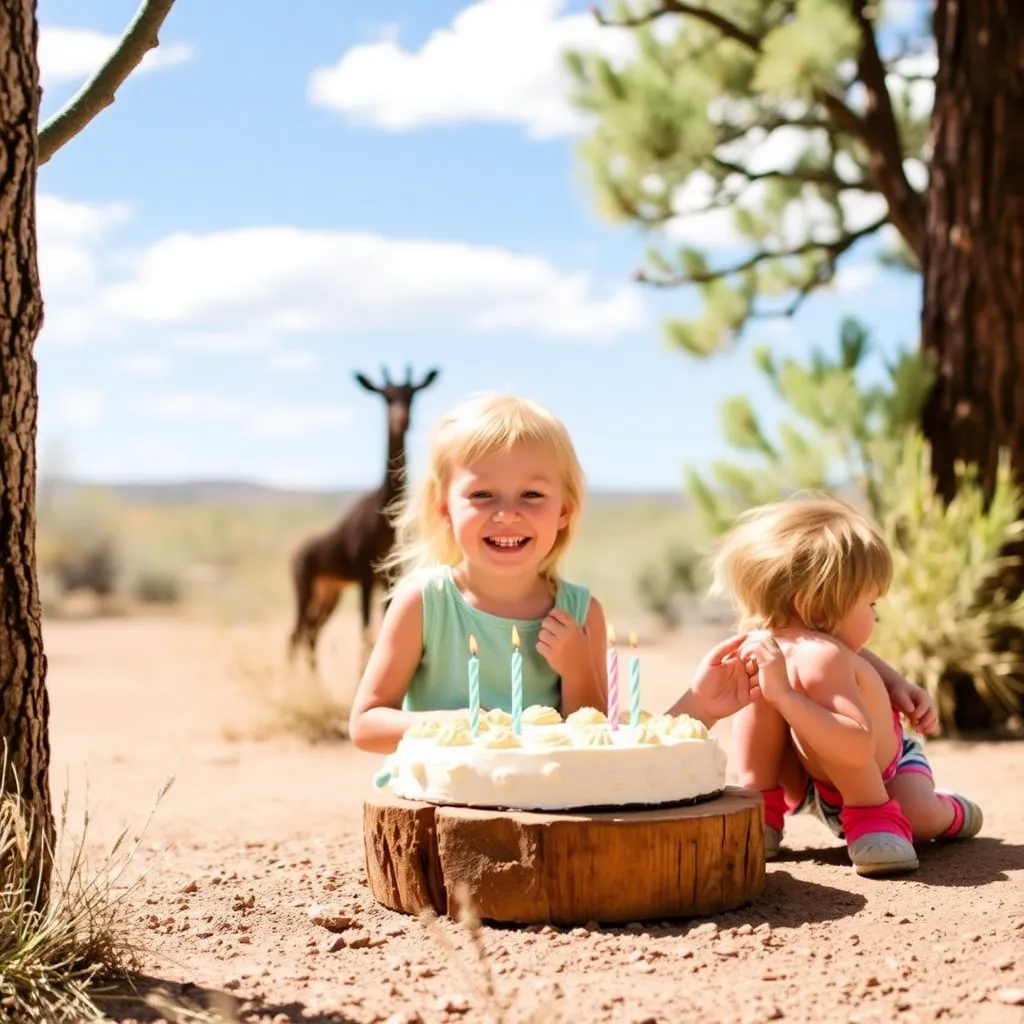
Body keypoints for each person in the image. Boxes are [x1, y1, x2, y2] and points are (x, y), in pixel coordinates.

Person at [349, 392, 761, 754]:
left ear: (564, 509)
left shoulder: (581, 613)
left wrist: (578, 669)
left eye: (532, 495)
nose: (507, 513)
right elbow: (366, 725)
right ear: (444, 510)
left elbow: (592, 739)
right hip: (441, 801)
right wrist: (458, 725)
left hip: (545, 803)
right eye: (482, 495)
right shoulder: (425, 603)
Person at [714, 496, 982, 877]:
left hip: (886, 775)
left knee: (920, 816)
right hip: (813, 777)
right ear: (816, 608)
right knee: (758, 692)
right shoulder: (771, 646)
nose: (875, 614)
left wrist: (896, 683)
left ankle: (948, 810)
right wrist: (778, 696)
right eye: (871, 603)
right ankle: (761, 809)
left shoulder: (829, 655)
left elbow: (857, 744)